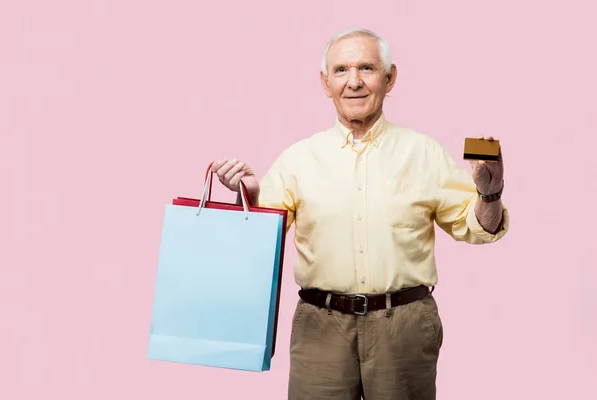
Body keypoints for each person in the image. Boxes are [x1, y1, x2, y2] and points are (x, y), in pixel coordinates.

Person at [211, 28, 509, 400]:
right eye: (341, 70)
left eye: (367, 68)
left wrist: (490, 191)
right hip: (321, 327)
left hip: (403, 326)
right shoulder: (298, 159)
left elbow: (479, 228)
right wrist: (251, 198)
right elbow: (256, 245)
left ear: (390, 77)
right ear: (324, 82)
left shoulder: (426, 153)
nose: (354, 82)